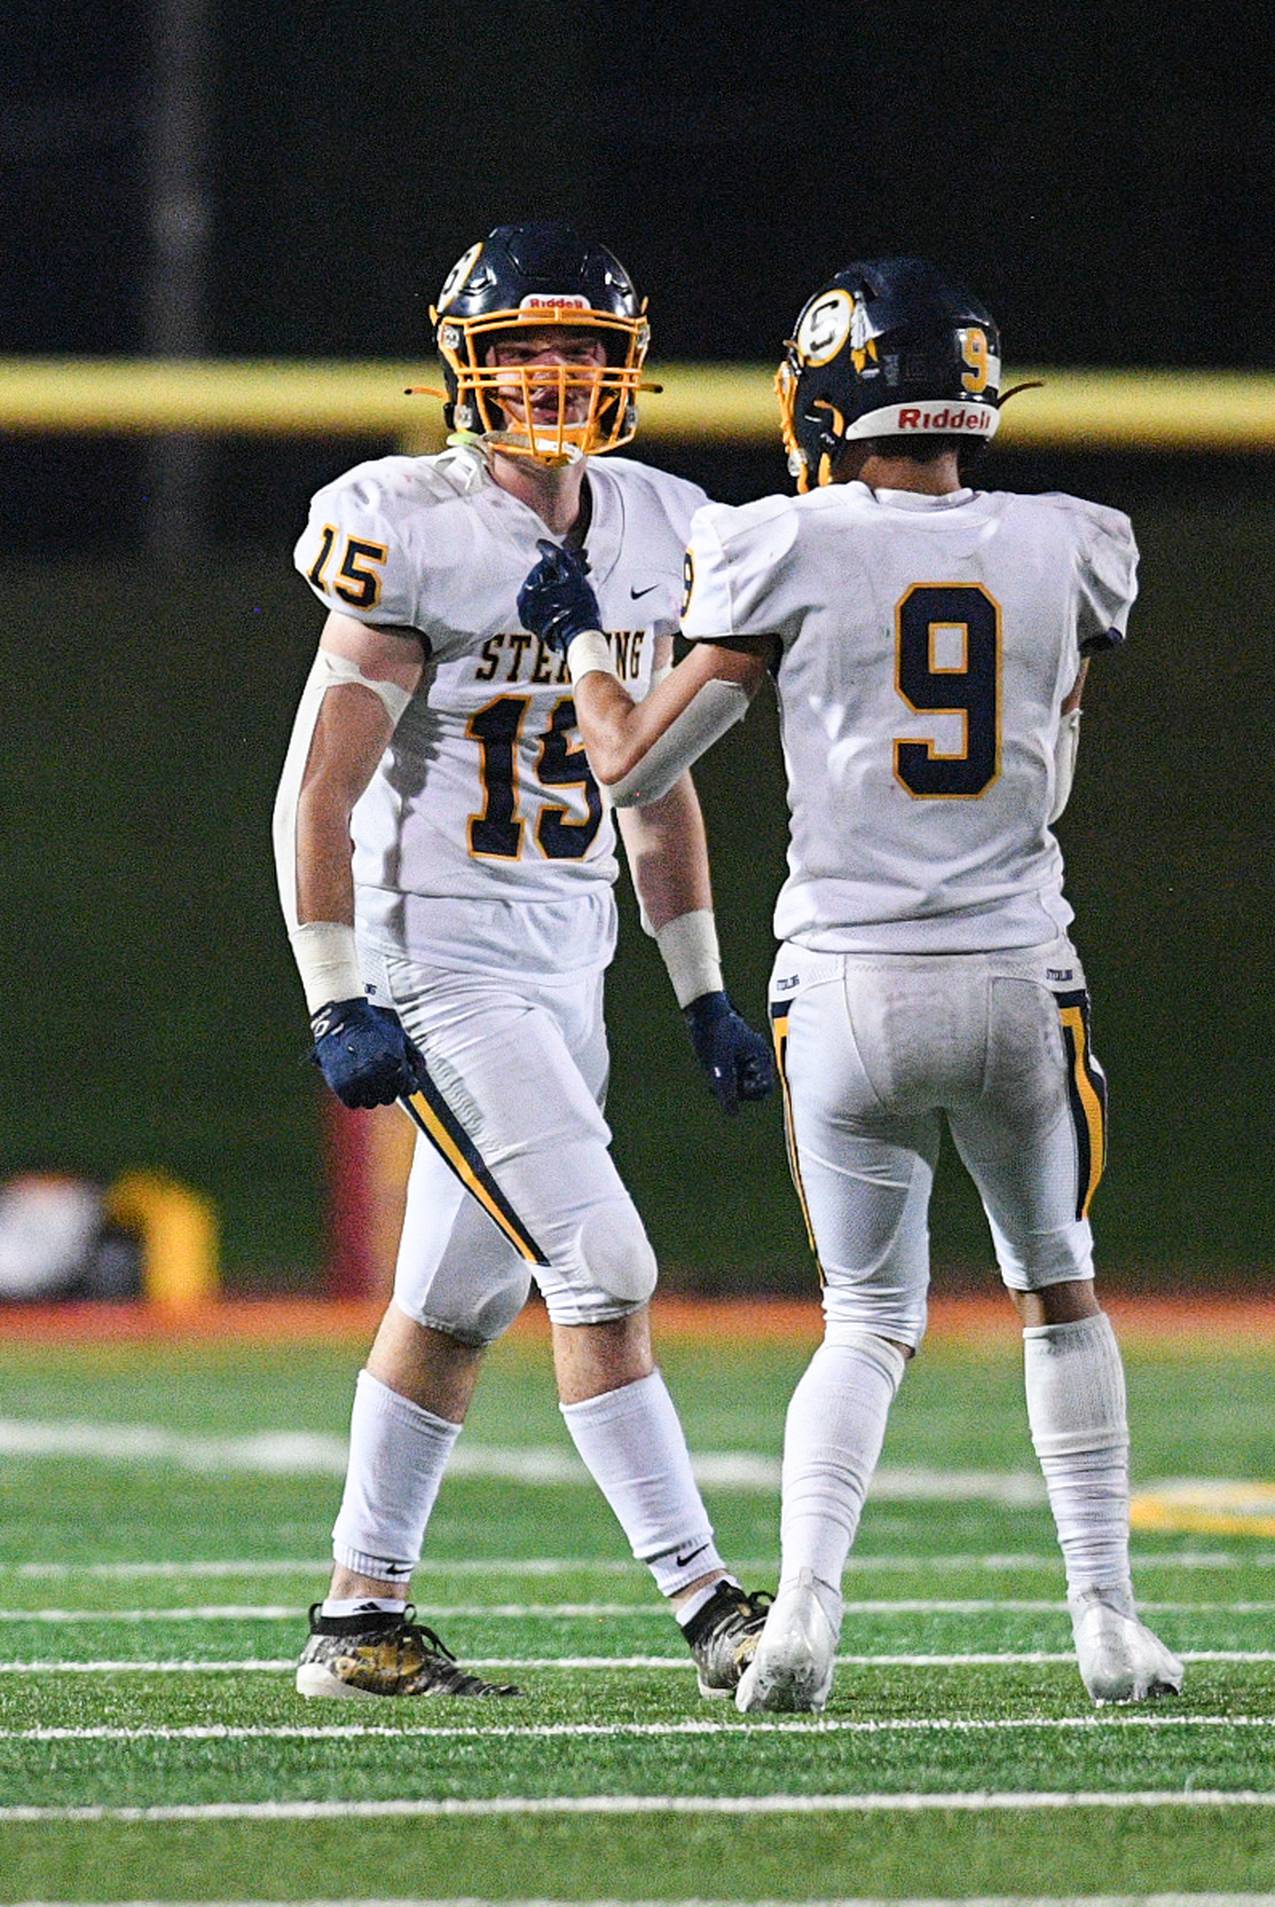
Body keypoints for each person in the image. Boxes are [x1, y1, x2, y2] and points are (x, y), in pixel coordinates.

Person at [514, 256, 1185, 1714]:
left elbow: (631, 764)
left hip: (847, 985)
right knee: (1060, 1295)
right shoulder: (1075, 542)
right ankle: (1108, 1626)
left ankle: (805, 1616)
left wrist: (578, 640)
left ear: (828, 398)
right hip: (1017, 976)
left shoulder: (782, 543)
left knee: (867, 1320)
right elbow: (1053, 758)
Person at [272, 222, 774, 1700]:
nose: (553, 378)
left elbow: (657, 778)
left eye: (582, 350)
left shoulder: (669, 523)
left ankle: (358, 1618)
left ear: (629, 366)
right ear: (466, 368)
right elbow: (319, 785)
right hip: (443, 962)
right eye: (522, 350)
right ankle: (710, 1606)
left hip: (568, 957)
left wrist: (700, 987)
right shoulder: (403, 523)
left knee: (454, 1306)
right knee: (603, 1265)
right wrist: (337, 991)